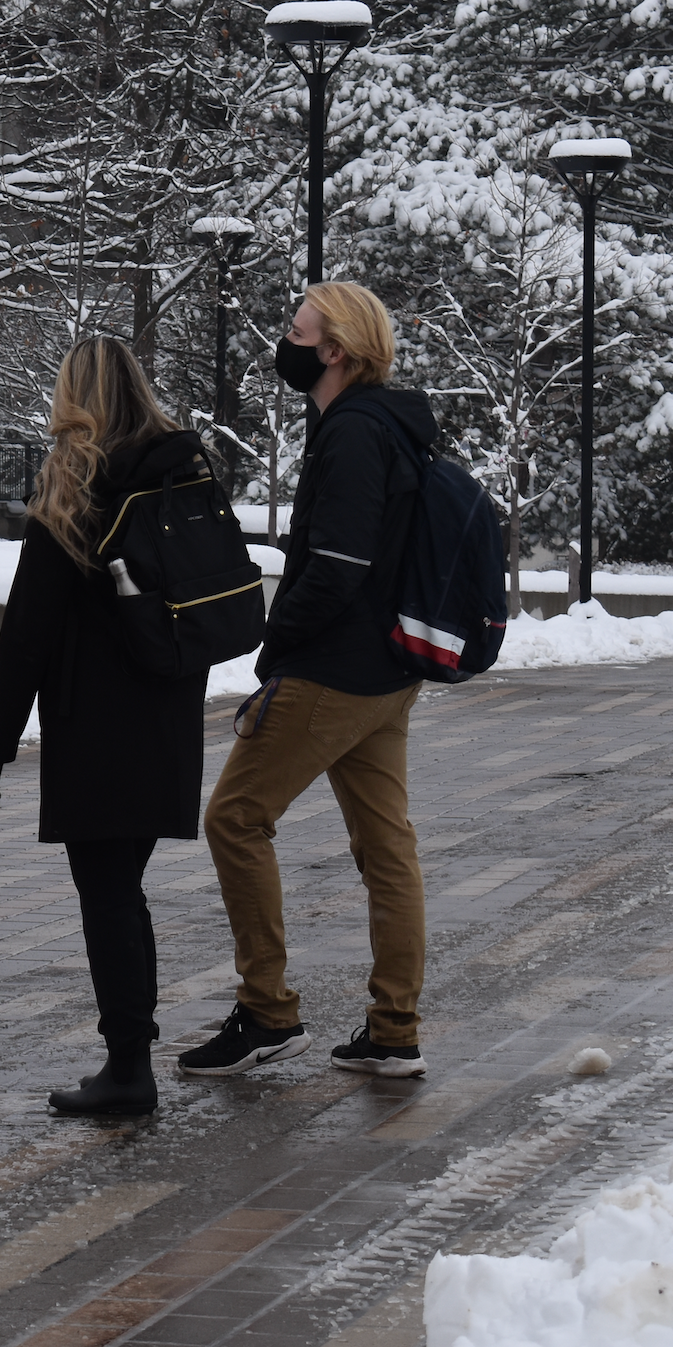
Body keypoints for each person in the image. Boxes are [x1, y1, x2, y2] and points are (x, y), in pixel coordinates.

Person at [183, 281, 438, 1081]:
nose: (282, 343)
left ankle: (266, 1013)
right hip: (383, 671)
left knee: (234, 818)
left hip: (335, 671)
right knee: (386, 848)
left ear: (334, 350)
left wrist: (277, 643)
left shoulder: (356, 432)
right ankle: (393, 1030)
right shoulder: (385, 425)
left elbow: (336, 563)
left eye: (295, 331)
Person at [0, 338, 211, 1118]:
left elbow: (28, 633)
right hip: (168, 715)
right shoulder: (183, 470)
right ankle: (131, 1053)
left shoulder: (75, 487)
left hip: (98, 727)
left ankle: (128, 1067)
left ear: (73, 397)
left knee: (106, 892)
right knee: (124, 887)